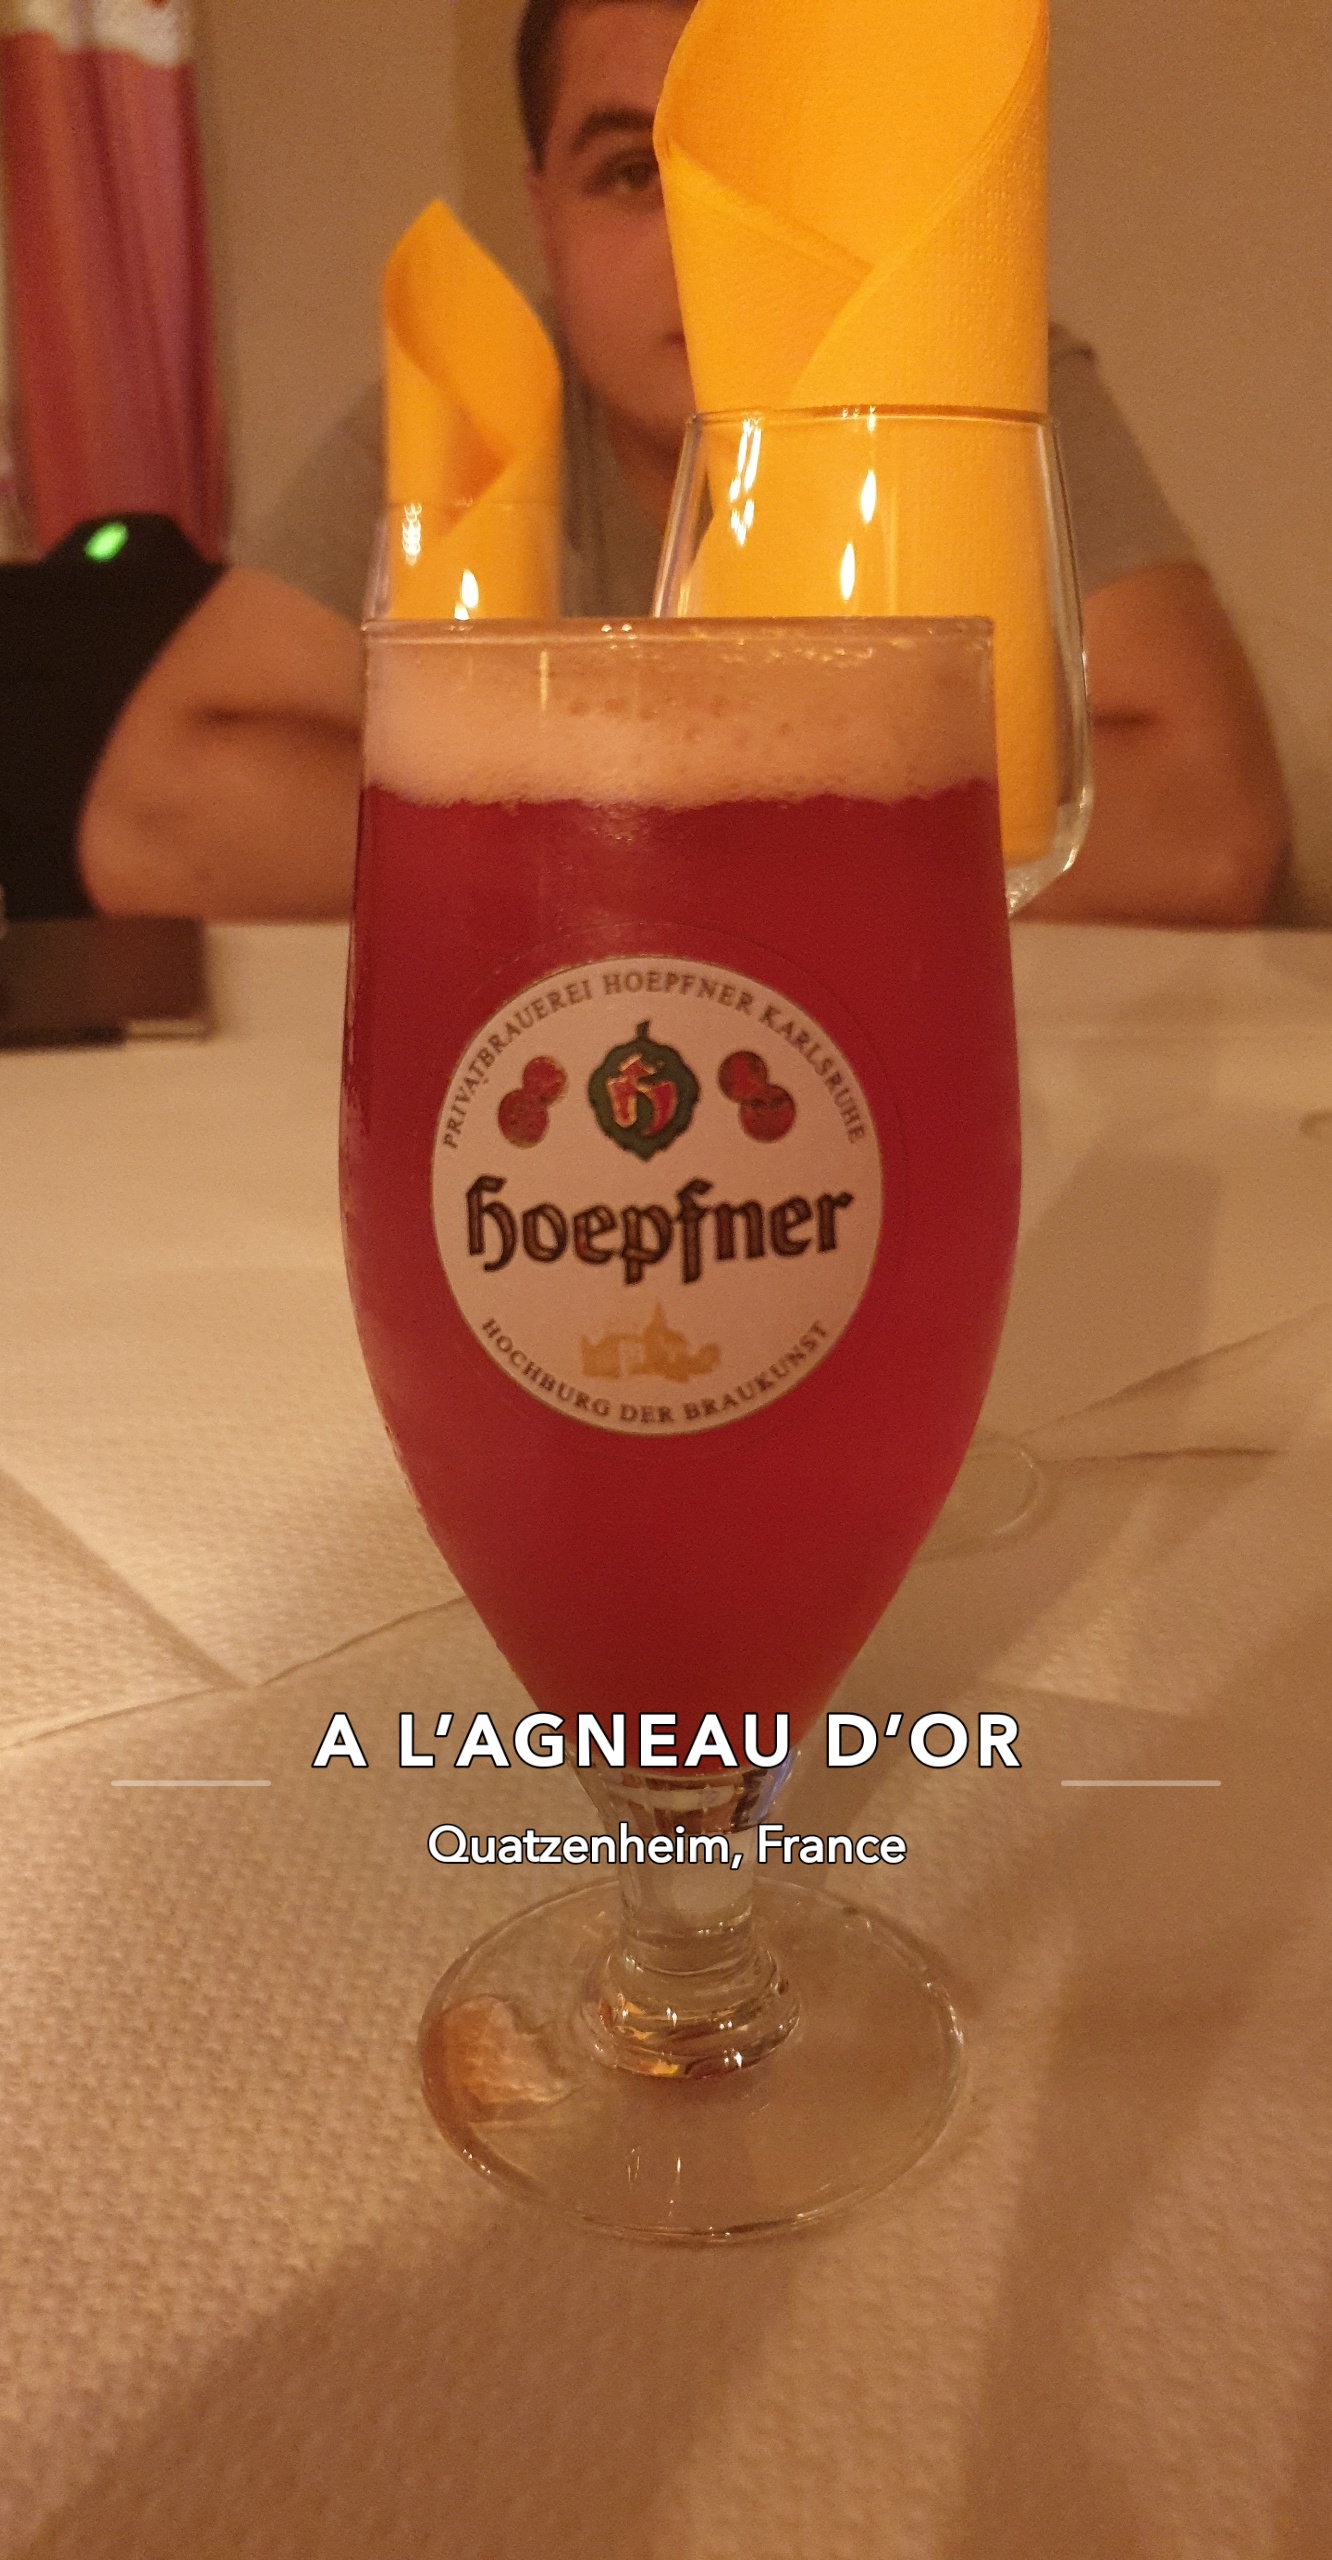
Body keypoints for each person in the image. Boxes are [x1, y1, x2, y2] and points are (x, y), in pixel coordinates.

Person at [78, 0, 1289, 927]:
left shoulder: (964, 370)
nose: (701, 249)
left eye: (750, 176)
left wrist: (551, 814)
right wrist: (709, 826)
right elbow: (152, 823)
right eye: (633, 172)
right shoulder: (485, 401)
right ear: (544, 212)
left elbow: (1211, 835)